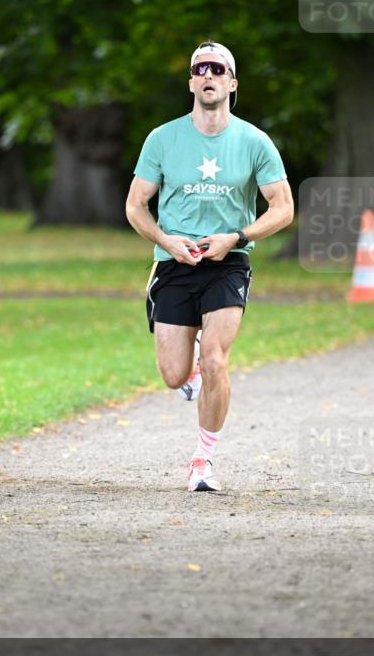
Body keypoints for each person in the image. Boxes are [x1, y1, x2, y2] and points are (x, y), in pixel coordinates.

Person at [125, 41, 294, 492]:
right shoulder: (162, 139)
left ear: (232, 83)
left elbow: (283, 208)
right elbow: (136, 205)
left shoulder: (254, 141)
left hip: (228, 262)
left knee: (216, 358)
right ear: (191, 83)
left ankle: (203, 461)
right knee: (173, 375)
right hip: (174, 263)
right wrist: (165, 241)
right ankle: (191, 369)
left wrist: (237, 238)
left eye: (217, 69)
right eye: (200, 69)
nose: (208, 76)